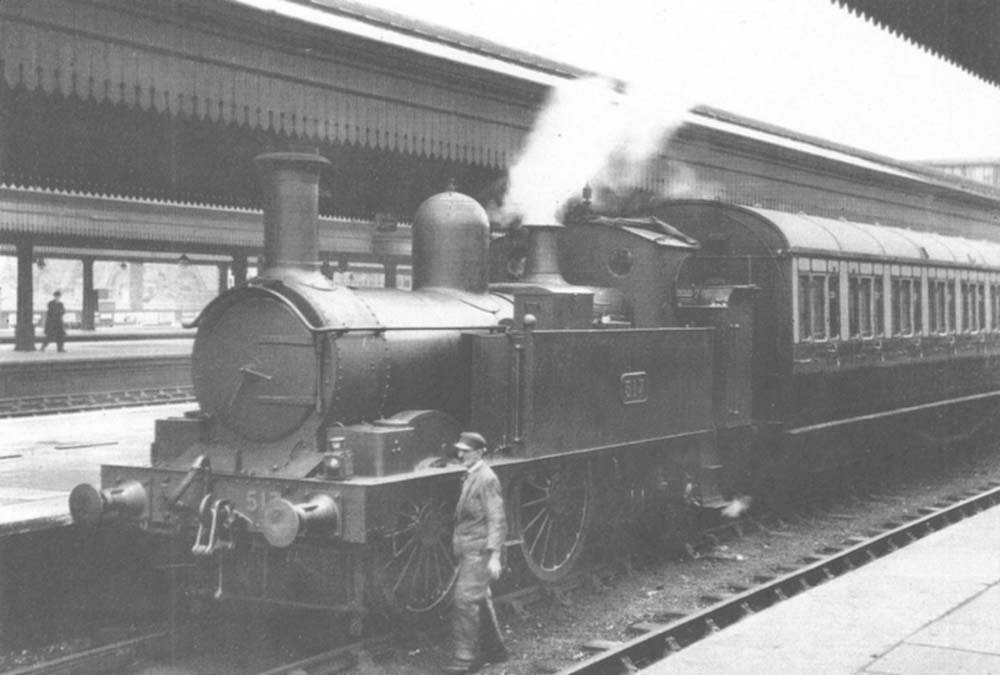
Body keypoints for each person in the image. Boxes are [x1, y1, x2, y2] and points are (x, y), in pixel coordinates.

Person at [445, 431, 508, 674]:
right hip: (469, 549)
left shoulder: (486, 479)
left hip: (479, 551)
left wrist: (494, 556)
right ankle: (496, 651)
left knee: (464, 600)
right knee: (479, 597)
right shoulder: (471, 475)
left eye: (465, 451)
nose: (460, 454)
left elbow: (497, 518)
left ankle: (466, 659)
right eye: (459, 449)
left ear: (480, 452)